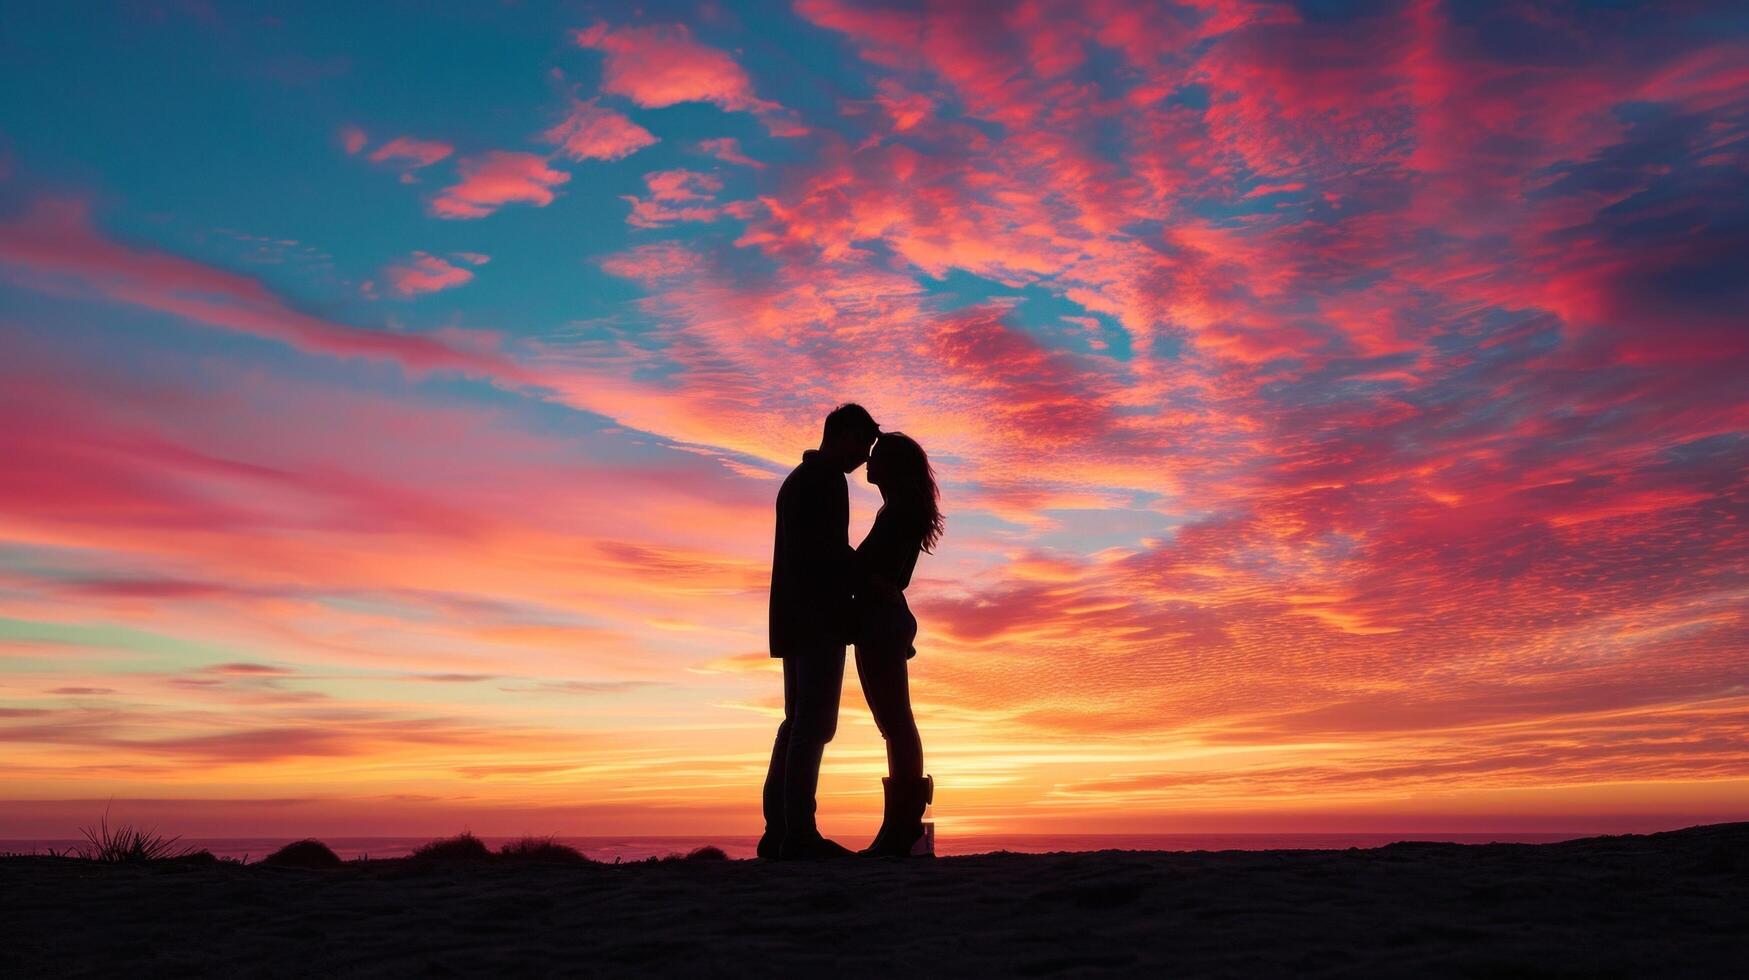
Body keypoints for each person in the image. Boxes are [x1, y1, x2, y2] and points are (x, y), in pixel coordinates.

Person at [760, 403, 880, 860]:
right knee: (813, 724)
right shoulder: (826, 481)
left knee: (798, 723)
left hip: (796, 618)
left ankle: (780, 830)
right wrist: (867, 572)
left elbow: (817, 552)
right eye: (863, 444)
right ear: (844, 435)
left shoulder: (801, 479)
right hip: (817, 620)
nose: (865, 457)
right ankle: (798, 834)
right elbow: (825, 555)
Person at [852, 431, 943, 857]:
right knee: (894, 721)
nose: (868, 462)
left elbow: (877, 571)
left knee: (896, 721)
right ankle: (899, 826)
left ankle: (902, 827)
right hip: (881, 619)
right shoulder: (895, 511)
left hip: (881, 621)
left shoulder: (897, 514)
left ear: (892, 466)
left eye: (876, 457)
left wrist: (845, 563)